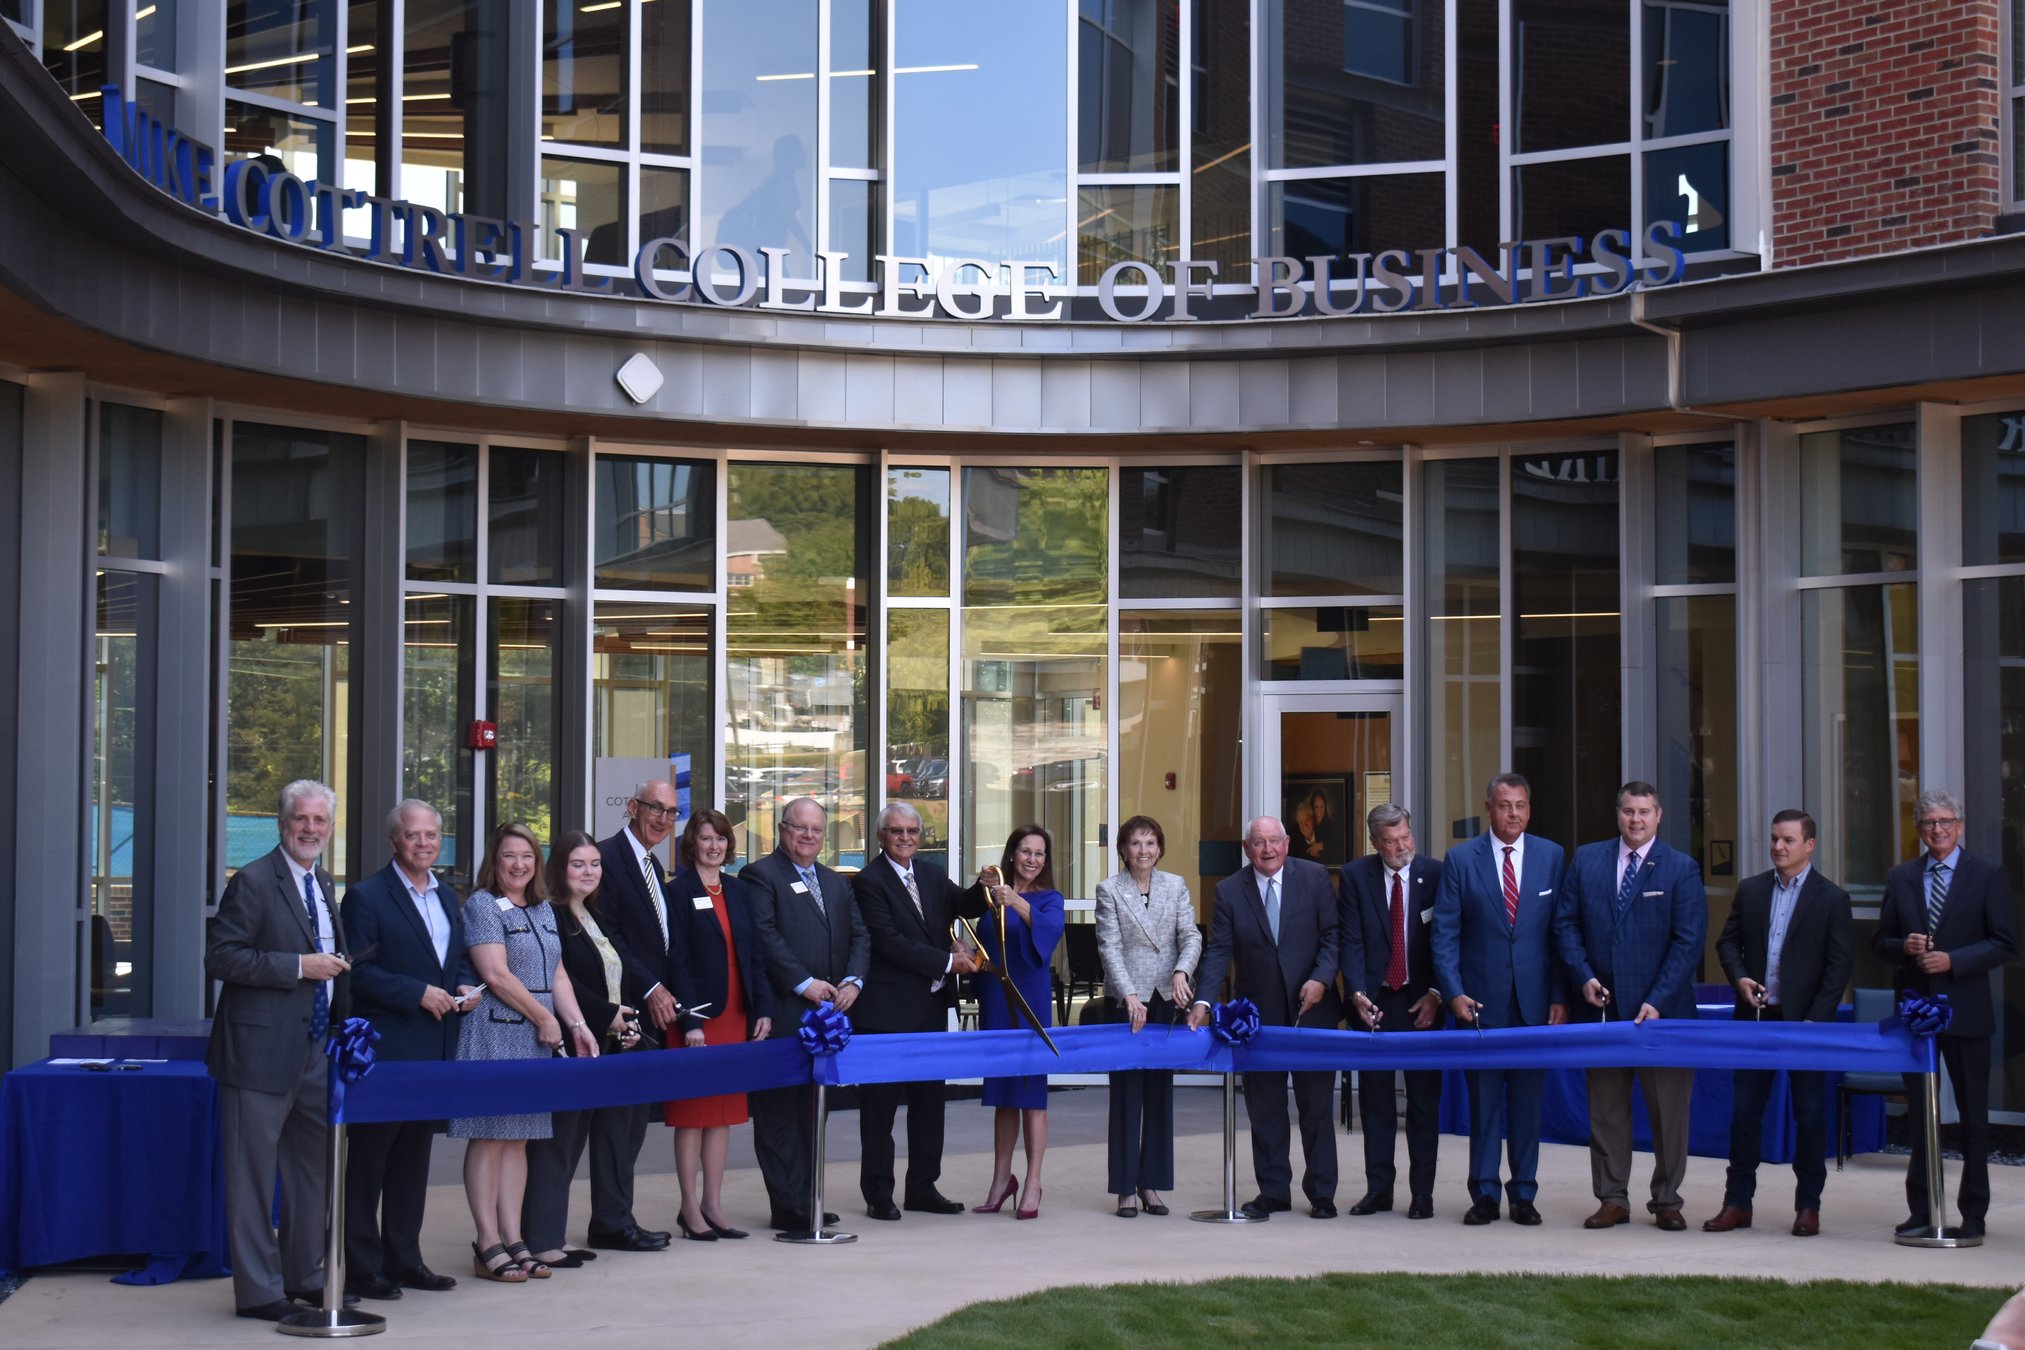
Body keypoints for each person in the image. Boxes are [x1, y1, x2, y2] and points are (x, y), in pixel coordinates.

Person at [205, 779, 354, 1320]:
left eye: (320, 821)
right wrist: (298, 968)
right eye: (301, 819)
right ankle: (261, 1293)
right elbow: (221, 957)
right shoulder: (252, 880)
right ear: (281, 823)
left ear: (330, 829)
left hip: (316, 1048)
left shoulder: (323, 881)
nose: (310, 829)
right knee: (251, 1178)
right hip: (257, 1055)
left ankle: (306, 1277)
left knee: (313, 1172)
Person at [1552, 780, 1706, 1232]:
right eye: (1627, 811)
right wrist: (1583, 977)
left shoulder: (1681, 868)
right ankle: (1612, 1198)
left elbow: (1688, 942)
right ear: (1616, 814)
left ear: (1658, 815)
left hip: (1663, 1015)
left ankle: (1667, 1200)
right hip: (1603, 1010)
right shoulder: (1587, 859)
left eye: (1644, 812)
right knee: (1606, 1112)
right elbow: (1565, 924)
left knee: (1669, 1114)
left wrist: (1657, 1000)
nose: (1635, 820)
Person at [452, 824, 601, 1282]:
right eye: (509, 857)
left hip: (538, 1035)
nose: (518, 865)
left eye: (527, 857)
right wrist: (543, 1018)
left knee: (519, 1139)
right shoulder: (481, 905)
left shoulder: (541, 908)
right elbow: (495, 975)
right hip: (496, 1033)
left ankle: (514, 1239)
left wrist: (577, 1025)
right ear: (494, 862)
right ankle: (486, 1241)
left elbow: (557, 976)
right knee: (491, 1135)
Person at [340, 799, 475, 1300]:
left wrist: (463, 986)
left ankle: (404, 1259)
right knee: (370, 1162)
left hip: (434, 1050)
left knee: (413, 1161)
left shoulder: (447, 897)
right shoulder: (366, 896)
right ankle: (361, 1267)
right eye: (414, 835)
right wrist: (415, 993)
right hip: (388, 1051)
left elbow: (456, 960)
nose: (424, 843)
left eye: (432, 835)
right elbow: (356, 970)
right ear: (394, 840)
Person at [1875, 788, 2020, 1240]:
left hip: (1967, 1011)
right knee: (1920, 1115)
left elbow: (2004, 942)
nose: (1937, 830)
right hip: (1916, 1014)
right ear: (1918, 831)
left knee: (1974, 1116)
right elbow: (1880, 942)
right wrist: (1906, 947)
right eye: (1928, 824)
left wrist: (1955, 960)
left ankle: (1973, 1214)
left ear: (1959, 826)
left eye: (1945, 822)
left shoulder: (1988, 875)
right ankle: (1923, 1209)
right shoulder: (1901, 877)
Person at [1703, 810, 1853, 1238]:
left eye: (1787, 840)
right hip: (1756, 1019)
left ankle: (1808, 1205)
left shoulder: (1831, 899)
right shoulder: (1751, 890)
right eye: (1773, 839)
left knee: (1809, 1115)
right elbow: (1727, 942)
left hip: (1805, 1023)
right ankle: (1737, 1203)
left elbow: (1839, 966)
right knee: (1745, 1113)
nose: (1778, 847)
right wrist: (1740, 979)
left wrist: (1814, 1020)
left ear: (1810, 844)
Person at [1188, 815, 1342, 1220]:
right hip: (1257, 1018)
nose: (1268, 849)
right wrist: (1203, 1002)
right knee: (1265, 1108)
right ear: (1246, 847)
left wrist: (1321, 980)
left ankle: (1322, 1193)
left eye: (1274, 841)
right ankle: (1273, 1191)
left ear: (1287, 843)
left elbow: (1332, 937)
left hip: (1314, 1013)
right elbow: (1219, 950)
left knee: (1317, 1108)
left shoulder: (1313, 877)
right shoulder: (1228, 891)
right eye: (1259, 842)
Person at [1431, 772, 1566, 1226]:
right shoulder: (1461, 859)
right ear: (1488, 808)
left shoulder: (1551, 856)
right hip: (1480, 1004)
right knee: (1484, 1104)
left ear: (1530, 809)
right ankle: (1485, 1193)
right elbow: (1445, 934)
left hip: (1533, 1005)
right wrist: (1452, 993)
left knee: (1528, 1105)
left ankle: (1524, 1194)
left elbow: (1559, 933)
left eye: (1521, 805)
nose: (1513, 814)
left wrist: (1558, 996)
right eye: (1505, 805)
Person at [744, 796, 869, 1231]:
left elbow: (859, 935)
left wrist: (853, 981)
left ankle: (808, 1197)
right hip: (784, 1012)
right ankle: (788, 1205)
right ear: (781, 830)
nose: (809, 836)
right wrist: (804, 983)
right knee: (779, 1114)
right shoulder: (759, 876)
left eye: (816, 830)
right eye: (800, 828)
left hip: (830, 1015)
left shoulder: (836, 882)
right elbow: (764, 936)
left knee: (814, 1110)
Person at [522, 831, 644, 1268]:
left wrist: (626, 1022)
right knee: (556, 1142)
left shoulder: (593, 913)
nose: (589, 872)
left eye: (594, 863)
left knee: (577, 1142)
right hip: (570, 1042)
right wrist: (605, 1013)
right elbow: (561, 983)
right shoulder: (551, 914)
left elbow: (615, 973)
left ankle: (553, 1232)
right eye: (579, 864)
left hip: (604, 1040)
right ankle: (540, 1240)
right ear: (559, 868)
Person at [851, 802, 975, 1221]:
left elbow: (964, 902)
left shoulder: (932, 874)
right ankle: (878, 1195)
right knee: (879, 1109)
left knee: (929, 1105)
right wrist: (947, 962)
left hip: (930, 1008)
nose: (906, 838)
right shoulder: (869, 881)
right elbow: (887, 941)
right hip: (885, 1013)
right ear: (881, 836)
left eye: (913, 831)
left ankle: (922, 1188)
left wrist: (989, 884)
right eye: (897, 831)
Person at [587, 780, 688, 1252]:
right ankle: (610, 1221)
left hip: (651, 1015)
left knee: (631, 1124)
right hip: (619, 1010)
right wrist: (650, 987)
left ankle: (617, 1216)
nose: (663, 819)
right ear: (631, 807)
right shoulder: (606, 858)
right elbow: (610, 937)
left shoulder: (654, 865)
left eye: (671, 812)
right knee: (615, 1123)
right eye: (655, 808)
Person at [665, 808, 772, 1240]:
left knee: (724, 1114)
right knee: (693, 1115)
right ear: (692, 844)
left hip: (736, 1015)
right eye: (706, 839)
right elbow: (676, 959)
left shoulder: (738, 889)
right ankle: (689, 1210)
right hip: (698, 1020)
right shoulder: (678, 892)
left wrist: (762, 1007)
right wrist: (690, 1018)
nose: (714, 846)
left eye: (721, 839)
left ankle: (713, 1204)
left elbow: (755, 955)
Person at [1338, 803, 1445, 1221]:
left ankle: (1423, 1195)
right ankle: (1379, 1190)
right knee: (1376, 1102)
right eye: (1391, 841)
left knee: (1423, 1103)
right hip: (1376, 1003)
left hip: (1425, 1004)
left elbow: (1448, 938)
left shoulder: (1435, 874)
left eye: (1406, 837)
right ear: (1374, 843)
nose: (1401, 847)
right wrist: (1358, 995)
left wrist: (1437, 993)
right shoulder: (1354, 877)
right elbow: (1351, 940)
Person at [1092, 815, 1200, 1218]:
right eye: (1136, 843)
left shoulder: (1176, 886)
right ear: (1123, 849)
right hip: (1127, 1001)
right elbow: (1109, 947)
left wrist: (1181, 972)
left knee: (1159, 1093)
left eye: (1151, 843)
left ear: (1160, 848)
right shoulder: (1109, 890)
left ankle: (1151, 1184)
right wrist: (1129, 995)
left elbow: (1190, 936)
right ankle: (1124, 1189)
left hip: (1166, 998)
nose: (1144, 851)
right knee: (1126, 1095)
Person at [966, 825, 1067, 1220]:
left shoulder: (1050, 899)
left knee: (1031, 1095)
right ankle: (1000, 1179)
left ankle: (1034, 1182)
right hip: (996, 999)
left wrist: (1016, 903)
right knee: (1003, 1095)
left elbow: (1049, 932)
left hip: (1030, 1001)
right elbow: (987, 948)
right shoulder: (992, 898)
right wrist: (969, 954)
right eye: (1026, 851)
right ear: (1012, 855)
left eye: (1039, 853)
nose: (1032, 859)